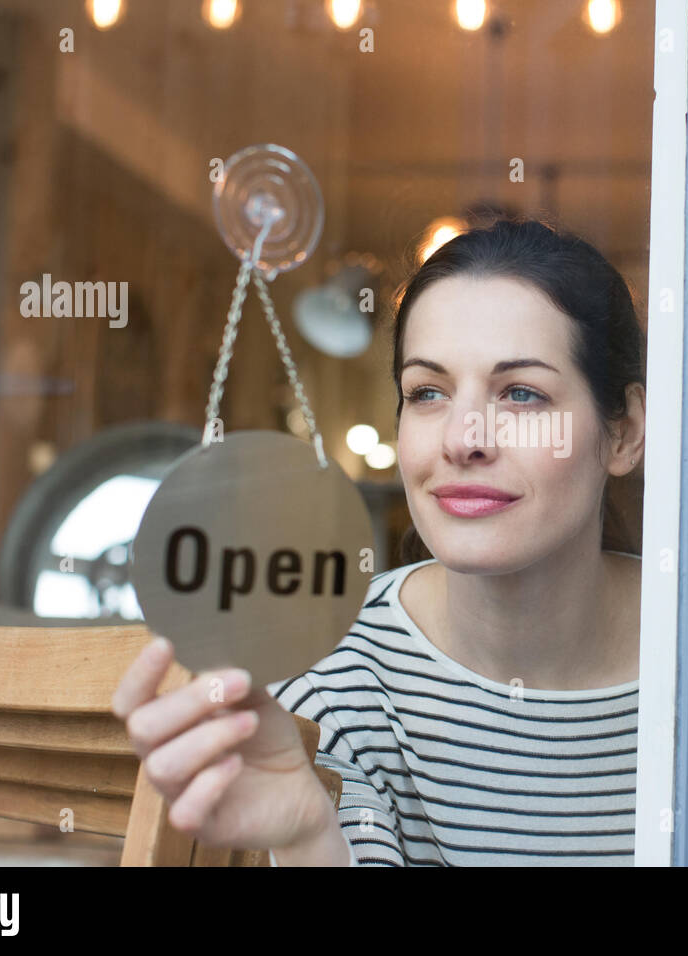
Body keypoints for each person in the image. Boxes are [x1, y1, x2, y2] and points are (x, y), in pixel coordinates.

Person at [111, 216, 647, 865]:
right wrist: (310, 839)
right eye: (427, 392)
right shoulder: (332, 680)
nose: (462, 438)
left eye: (522, 394)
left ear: (623, 434)